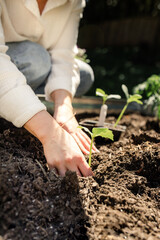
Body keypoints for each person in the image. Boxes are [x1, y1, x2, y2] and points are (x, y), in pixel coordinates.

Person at [0, 0, 98, 177]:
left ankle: (18, 105)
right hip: (17, 62)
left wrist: (64, 108)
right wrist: (50, 133)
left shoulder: (74, 2)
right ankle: (18, 107)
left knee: (83, 75)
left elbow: (64, 54)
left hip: (29, 67)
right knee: (37, 59)